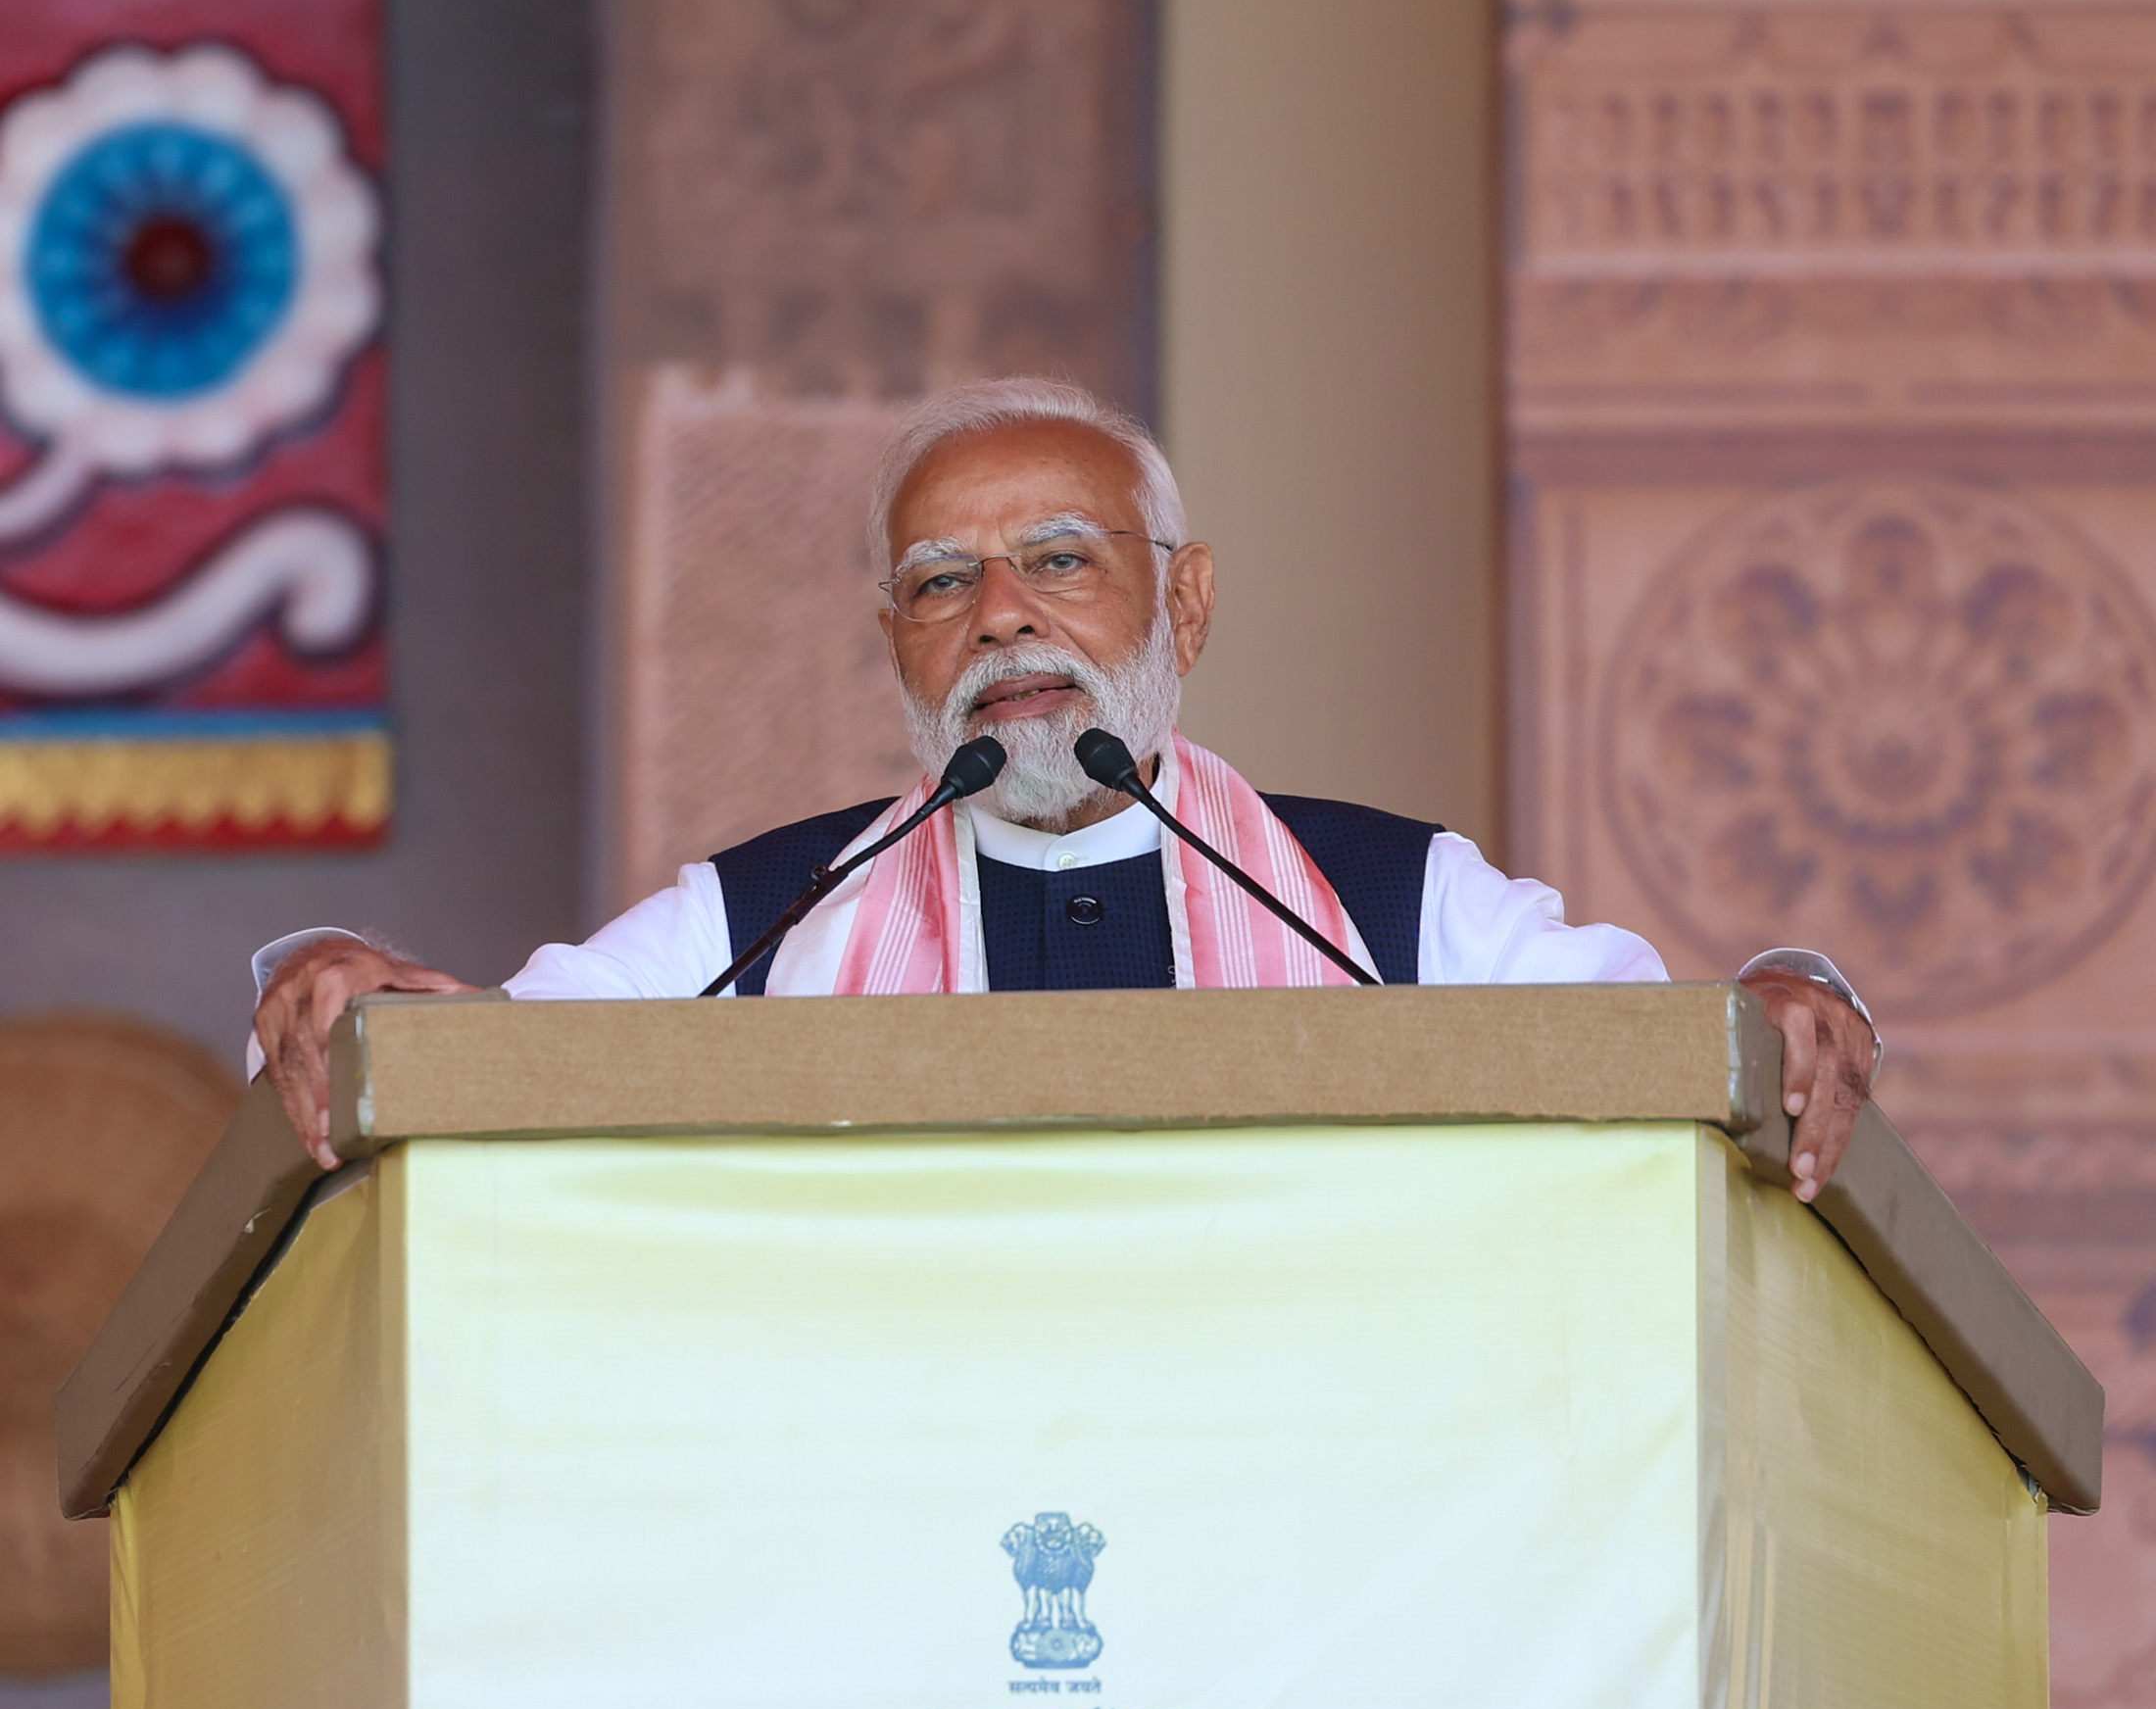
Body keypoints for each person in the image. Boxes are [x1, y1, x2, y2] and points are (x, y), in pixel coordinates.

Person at [252, 376, 1879, 1192]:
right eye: (939, 583)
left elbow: (1691, 1049)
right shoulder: (762, 916)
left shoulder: (1390, 897)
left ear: (1182, 601)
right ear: (893, 642)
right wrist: (336, 983)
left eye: (1057, 560)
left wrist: (1797, 994)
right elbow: (485, 1068)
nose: (1002, 614)